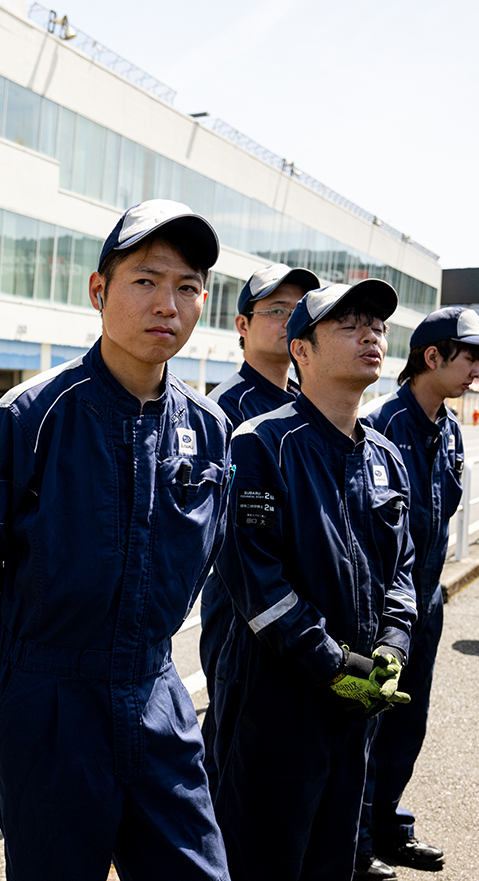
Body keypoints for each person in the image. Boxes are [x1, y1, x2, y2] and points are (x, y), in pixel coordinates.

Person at [0, 200, 248, 881]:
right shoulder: (32, 416)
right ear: (98, 290)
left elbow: (204, 552)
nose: (166, 304)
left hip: (154, 692)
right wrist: (31, 658)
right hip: (48, 699)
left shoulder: (209, 430)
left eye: (187, 286)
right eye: (144, 281)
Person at [212, 279, 415, 881]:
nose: (371, 336)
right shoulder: (261, 443)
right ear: (300, 349)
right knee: (264, 854)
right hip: (279, 689)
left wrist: (392, 645)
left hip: (354, 697)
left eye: (377, 326)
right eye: (349, 325)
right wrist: (330, 662)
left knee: (329, 855)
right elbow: (252, 572)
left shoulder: (385, 454)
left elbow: (404, 568)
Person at [354, 307, 479, 881]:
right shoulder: (382, 428)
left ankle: (388, 824)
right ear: (432, 357)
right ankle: (355, 844)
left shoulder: (448, 428)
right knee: (367, 723)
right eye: (469, 356)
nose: (476, 368)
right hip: (383, 610)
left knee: (408, 722)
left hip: (427, 602)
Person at [199, 263, 320, 785]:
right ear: (242, 325)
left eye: (297, 312)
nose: (288, 320)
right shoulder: (225, 407)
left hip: (297, 603)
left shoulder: (306, 402)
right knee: (233, 745)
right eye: (275, 311)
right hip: (238, 608)